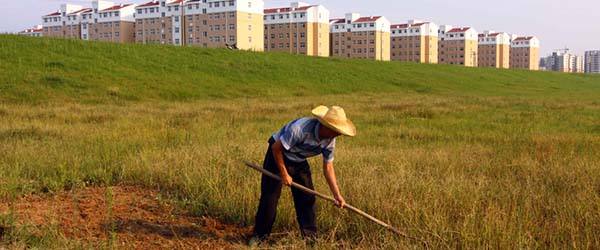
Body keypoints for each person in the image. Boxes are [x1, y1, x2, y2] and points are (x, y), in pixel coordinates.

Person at [249, 105, 356, 245]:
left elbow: (328, 167)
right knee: (270, 197)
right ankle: (259, 237)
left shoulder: (330, 140)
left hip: (299, 160)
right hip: (278, 155)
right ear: (326, 126)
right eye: (336, 130)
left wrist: (337, 194)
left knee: (307, 198)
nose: (339, 134)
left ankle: (310, 240)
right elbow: (276, 148)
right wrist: (284, 173)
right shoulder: (300, 129)